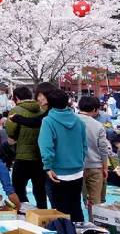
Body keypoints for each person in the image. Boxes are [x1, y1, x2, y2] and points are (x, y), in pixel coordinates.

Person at [39, 89, 87, 222]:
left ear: (49, 103)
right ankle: (80, 229)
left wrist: (47, 167)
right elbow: (84, 145)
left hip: (57, 172)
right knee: (76, 207)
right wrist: (79, 161)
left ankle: (65, 230)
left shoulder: (48, 121)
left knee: (60, 210)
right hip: (77, 170)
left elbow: (46, 146)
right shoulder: (78, 120)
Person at [5, 86, 47, 209]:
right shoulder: (42, 110)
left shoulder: (15, 111)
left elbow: (10, 132)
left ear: (17, 98)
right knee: (40, 190)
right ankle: (43, 213)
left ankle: (24, 211)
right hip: (40, 156)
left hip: (23, 156)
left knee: (18, 188)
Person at [78, 95, 111, 222]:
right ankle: (95, 225)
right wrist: (105, 167)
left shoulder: (71, 122)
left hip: (75, 167)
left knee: (74, 199)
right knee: (95, 201)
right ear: (94, 110)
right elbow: (103, 149)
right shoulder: (98, 125)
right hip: (95, 166)